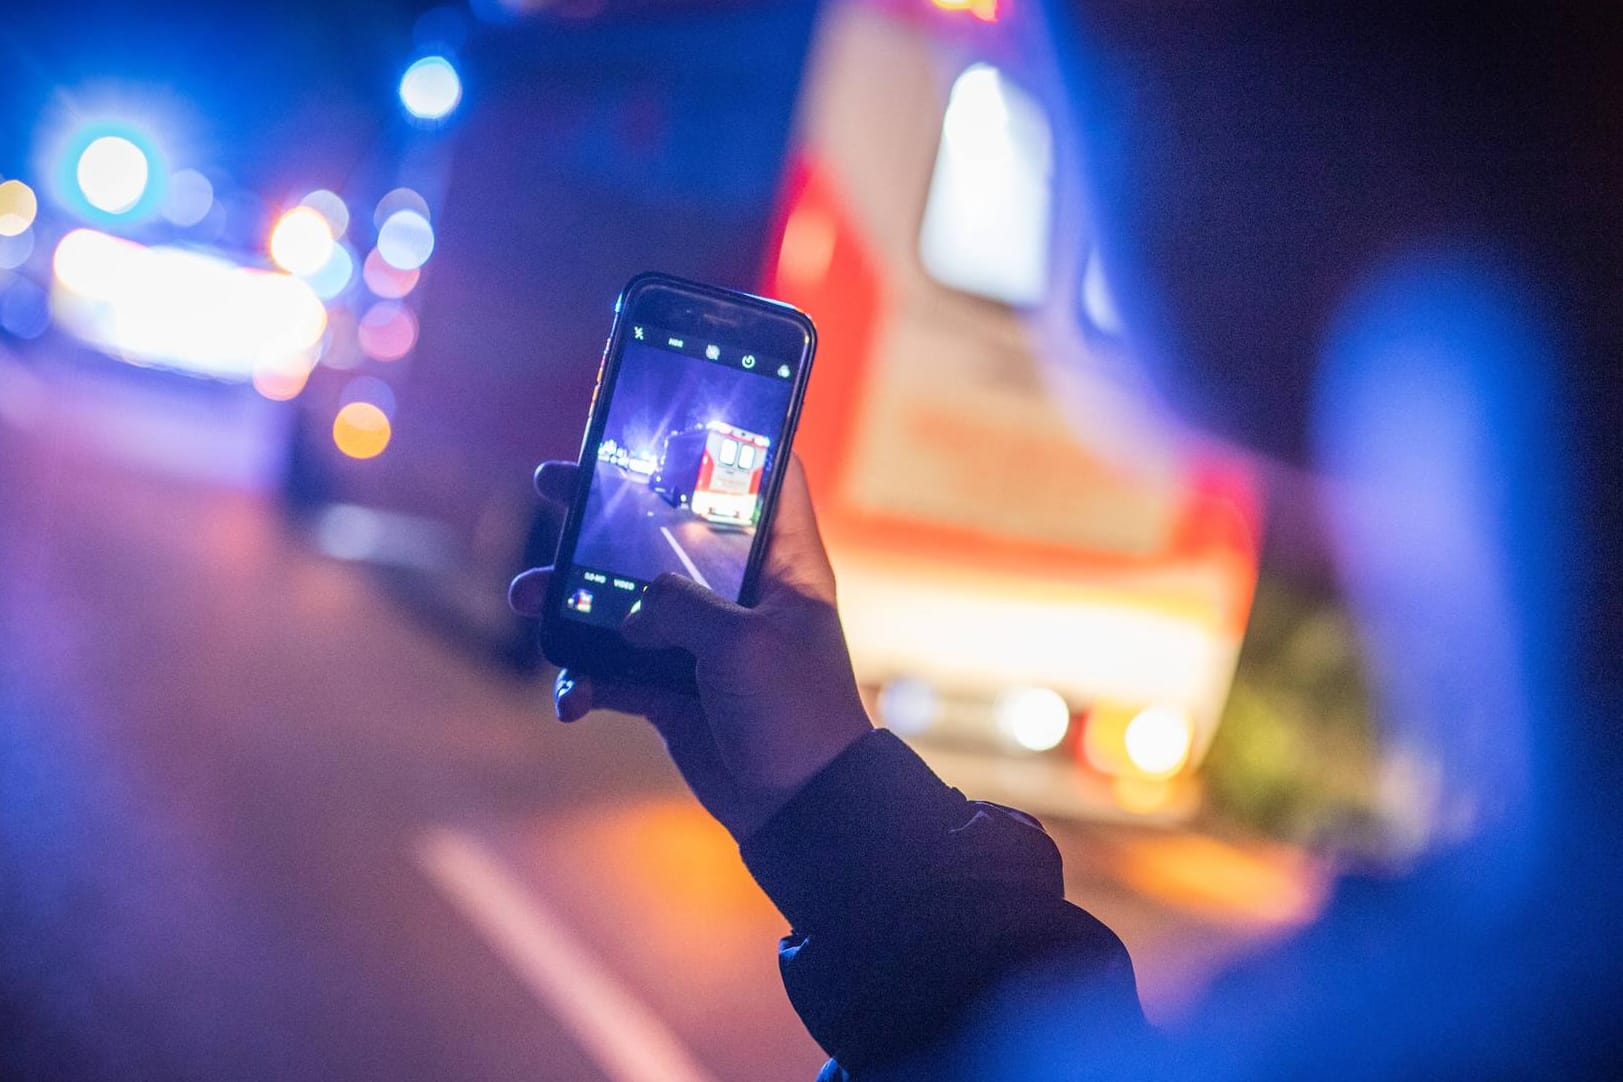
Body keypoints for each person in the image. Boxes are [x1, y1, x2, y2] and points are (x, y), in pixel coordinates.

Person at [511, 2, 1622, 1077]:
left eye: (1048, 129)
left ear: (1167, 81)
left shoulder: (1411, 1028)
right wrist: (822, 794)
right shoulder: (1525, 961)